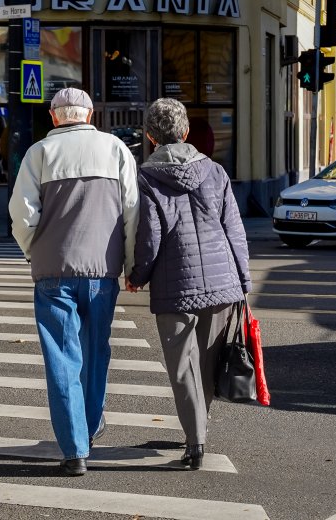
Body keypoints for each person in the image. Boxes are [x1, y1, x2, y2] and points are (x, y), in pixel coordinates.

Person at [9, 87, 139, 476]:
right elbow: (133, 212)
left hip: (53, 272)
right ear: (90, 113)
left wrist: (36, 250)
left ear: (54, 117)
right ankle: (91, 424)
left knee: (62, 359)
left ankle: (74, 449)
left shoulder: (39, 154)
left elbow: (21, 213)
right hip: (102, 271)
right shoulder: (116, 149)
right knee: (96, 351)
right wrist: (130, 263)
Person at [126, 98, 251, 471]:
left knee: (183, 367)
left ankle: (195, 440)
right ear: (185, 133)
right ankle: (198, 429)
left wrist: (136, 276)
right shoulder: (215, 171)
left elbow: (150, 237)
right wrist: (243, 282)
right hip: (222, 283)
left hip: (175, 287)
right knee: (208, 364)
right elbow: (235, 230)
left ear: (150, 137)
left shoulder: (147, 177)